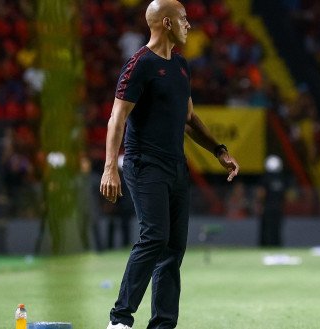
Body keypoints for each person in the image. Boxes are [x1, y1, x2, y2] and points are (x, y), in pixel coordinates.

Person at [99, 1, 240, 328]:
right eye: (184, 20)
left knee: (174, 249)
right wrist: (110, 167)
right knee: (154, 237)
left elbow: (188, 118)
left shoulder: (180, 65)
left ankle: (162, 324)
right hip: (143, 164)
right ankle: (119, 320)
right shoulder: (140, 65)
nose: (189, 25)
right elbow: (116, 119)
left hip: (176, 166)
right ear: (166, 22)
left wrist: (218, 150)